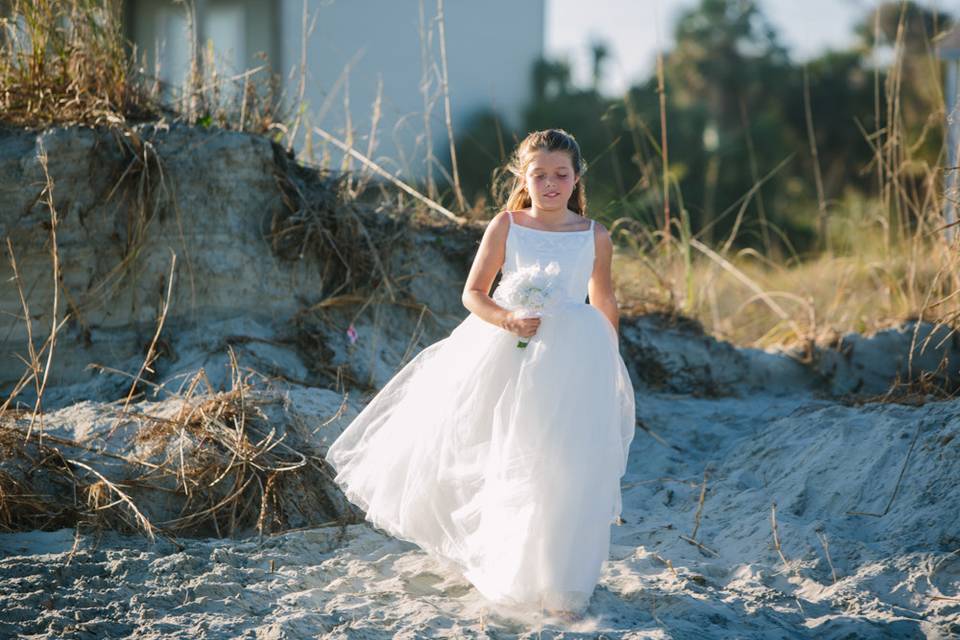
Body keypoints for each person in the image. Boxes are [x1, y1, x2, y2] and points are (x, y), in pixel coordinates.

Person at [324, 128, 636, 624]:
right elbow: (473, 293)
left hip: (575, 359)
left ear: (576, 177)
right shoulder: (508, 225)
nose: (550, 184)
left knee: (567, 465)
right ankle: (508, 568)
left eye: (561, 174)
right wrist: (508, 318)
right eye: (540, 175)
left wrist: (608, 359)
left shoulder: (594, 234)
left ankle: (563, 585)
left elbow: (604, 300)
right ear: (523, 177)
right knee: (510, 456)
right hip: (508, 350)